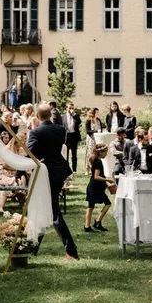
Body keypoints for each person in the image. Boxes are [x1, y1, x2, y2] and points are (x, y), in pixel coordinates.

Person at [26, 103, 79, 260]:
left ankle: (71, 249)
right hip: (59, 171)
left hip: (46, 174)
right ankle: (33, 247)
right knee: (45, 209)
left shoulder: (36, 132)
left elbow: (31, 153)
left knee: (53, 212)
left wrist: (16, 161)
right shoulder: (61, 130)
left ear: (38, 116)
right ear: (50, 115)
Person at [84, 143, 115, 233]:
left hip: (93, 186)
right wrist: (107, 180)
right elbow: (96, 176)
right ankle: (97, 222)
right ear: (100, 152)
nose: (106, 154)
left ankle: (87, 226)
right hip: (95, 187)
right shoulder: (98, 162)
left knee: (90, 207)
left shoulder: (96, 160)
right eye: (105, 152)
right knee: (108, 203)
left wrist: (106, 182)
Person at [62, 102, 81, 172]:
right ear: (66, 108)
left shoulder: (75, 116)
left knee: (74, 154)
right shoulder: (63, 117)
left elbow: (79, 122)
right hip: (66, 136)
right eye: (69, 108)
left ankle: (74, 170)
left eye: (72, 108)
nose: (71, 110)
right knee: (66, 154)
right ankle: (66, 169)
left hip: (74, 136)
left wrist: (74, 115)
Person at [83, 107, 102, 172]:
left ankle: (95, 168)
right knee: (89, 153)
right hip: (91, 139)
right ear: (94, 113)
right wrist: (95, 131)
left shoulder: (98, 120)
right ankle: (87, 169)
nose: (98, 113)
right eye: (97, 112)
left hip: (98, 139)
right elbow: (88, 131)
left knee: (97, 154)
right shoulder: (88, 120)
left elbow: (101, 129)